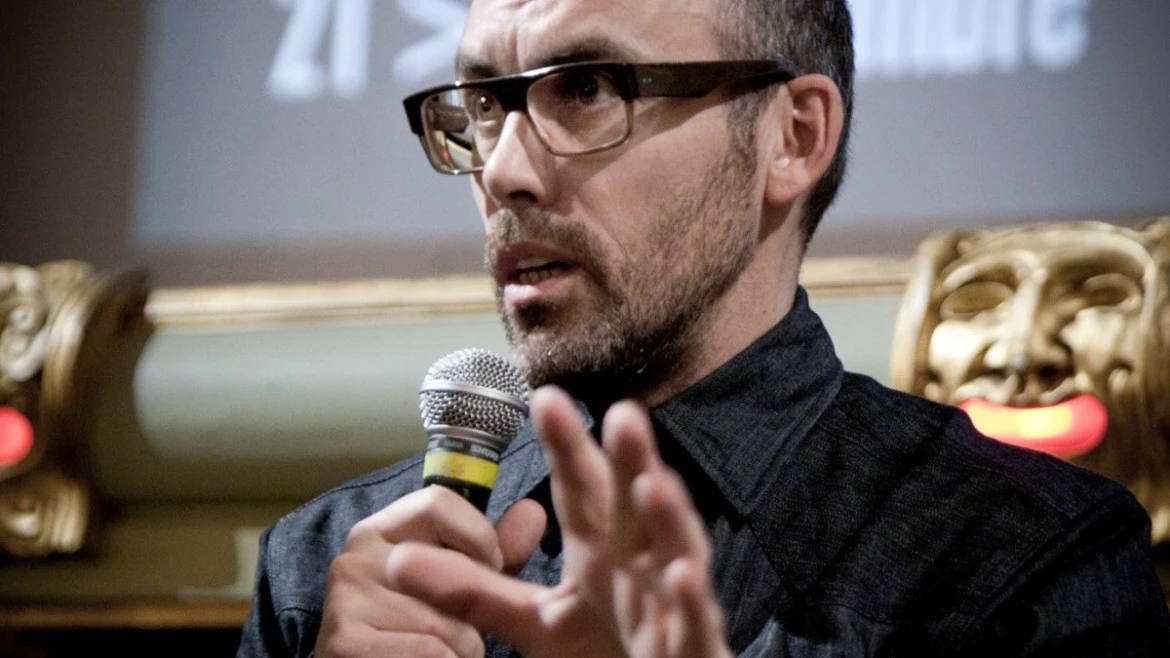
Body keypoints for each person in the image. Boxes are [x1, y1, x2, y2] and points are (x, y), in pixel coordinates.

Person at [239, 0, 1170, 655]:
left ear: (793, 137)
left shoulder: (1024, 561)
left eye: (588, 88)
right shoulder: (325, 567)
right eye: (485, 106)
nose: (506, 173)